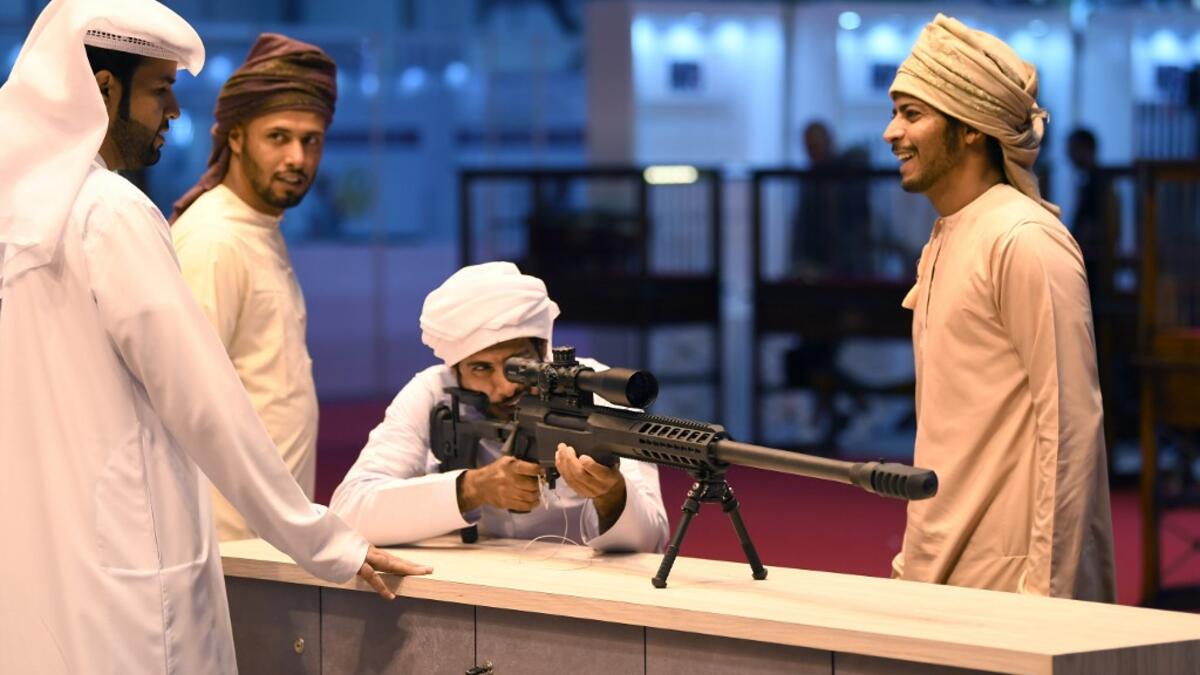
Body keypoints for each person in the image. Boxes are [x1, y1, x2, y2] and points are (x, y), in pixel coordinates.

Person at [0, 2, 428, 673]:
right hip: (131, 588)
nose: (173, 111)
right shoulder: (109, 214)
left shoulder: (21, 215)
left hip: (44, 571)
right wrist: (326, 540)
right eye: (161, 89)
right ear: (103, 90)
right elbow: (208, 406)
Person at [882, 14, 1116, 601]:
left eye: (912, 114)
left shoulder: (1024, 239)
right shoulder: (949, 235)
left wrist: (1047, 595)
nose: (891, 133)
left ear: (970, 129)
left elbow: (1070, 430)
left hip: (1012, 584)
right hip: (942, 570)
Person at [331, 262, 669, 551]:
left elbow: (652, 538)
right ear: (455, 369)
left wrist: (611, 496)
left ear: (542, 350)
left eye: (517, 363)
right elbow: (348, 513)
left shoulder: (594, 391)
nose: (506, 386)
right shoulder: (432, 392)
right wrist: (471, 488)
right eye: (481, 369)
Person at [171, 33, 336, 541]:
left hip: (264, 537)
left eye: (311, 140)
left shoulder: (256, 227)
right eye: (278, 137)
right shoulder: (214, 240)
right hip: (227, 543)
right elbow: (187, 408)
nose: (297, 158)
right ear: (236, 136)